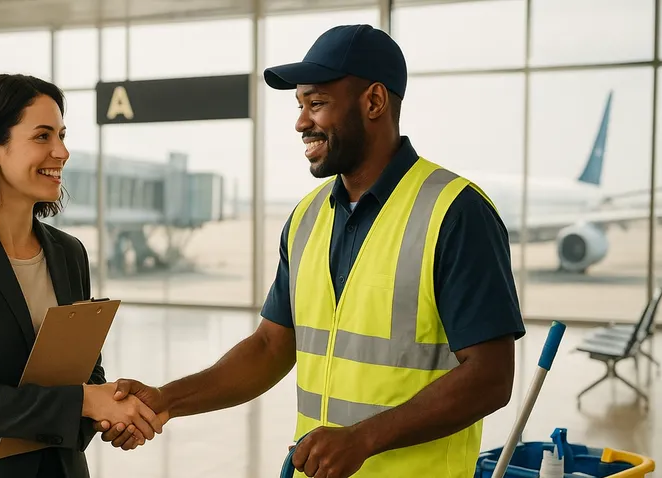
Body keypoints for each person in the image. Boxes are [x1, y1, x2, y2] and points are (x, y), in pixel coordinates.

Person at [96, 24, 526, 478]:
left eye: (317, 104)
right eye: (300, 105)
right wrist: (167, 400)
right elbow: (270, 347)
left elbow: (490, 379)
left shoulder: (456, 213)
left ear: (374, 101)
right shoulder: (307, 217)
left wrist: (363, 439)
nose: (302, 122)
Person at [0, 73, 163, 478]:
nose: (61, 151)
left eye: (61, 134)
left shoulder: (69, 252)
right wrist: (86, 401)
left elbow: (86, 371)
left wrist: (109, 411)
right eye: (42, 136)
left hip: (60, 466)